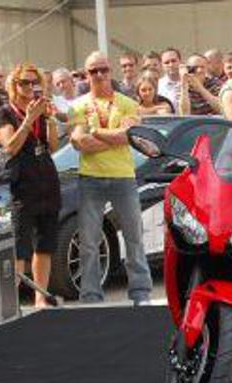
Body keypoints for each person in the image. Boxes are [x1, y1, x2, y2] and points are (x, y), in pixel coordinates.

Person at [68, 51, 151, 305]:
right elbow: (79, 142)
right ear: (86, 74)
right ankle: (91, 295)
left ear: (110, 70)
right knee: (89, 241)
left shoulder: (128, 103)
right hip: (90, 178)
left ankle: (141, 293)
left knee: (134, 237)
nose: (99, 74)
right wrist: (113, 137)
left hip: (123, 177)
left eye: (103, 69)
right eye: (93, 71)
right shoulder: (78, 105)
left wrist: (95, 132)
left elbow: (128, 136)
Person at [0, 63, 61, 308]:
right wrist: (29, 119)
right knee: (16, 248)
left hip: (45, 184)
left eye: (35, 82)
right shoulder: (4, 113)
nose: (31, 86)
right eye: (25, 82)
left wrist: (49, 120)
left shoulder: (40, 110)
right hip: (15, 190)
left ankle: (40, 298)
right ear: (14, 85)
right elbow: (10, 147)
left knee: (44, 245)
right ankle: (7, 305)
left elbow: (53, 147)